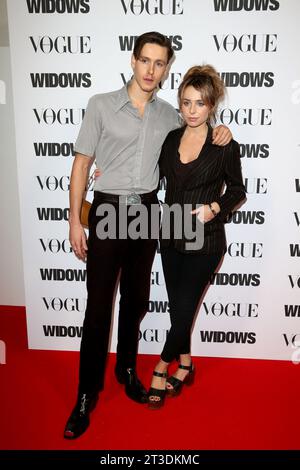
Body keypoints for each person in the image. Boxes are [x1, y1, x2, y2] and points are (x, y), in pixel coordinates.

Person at [64, 32, 232, 439]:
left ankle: (125, 369)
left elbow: (197, 132)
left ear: (167, 68)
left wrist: (221, 130)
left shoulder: (170, 117)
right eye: (145, 61)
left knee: (137, 300)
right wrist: (73, 220)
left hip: (149, 211)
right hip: (107, 209)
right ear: (133, 60)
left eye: (160, 64)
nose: (151, 70)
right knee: (99, 306)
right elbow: (83, 165)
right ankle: (86, 395)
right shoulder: (100, 105)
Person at [147, 64, 246, 409]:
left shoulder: (224, 144)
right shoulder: (171, 138)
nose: (191, 111)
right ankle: (186, 364)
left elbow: (237, 190)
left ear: (212, 105)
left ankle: (162, 366)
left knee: (184, 307)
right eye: (186, 102)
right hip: (172, 235)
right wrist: (111, 170)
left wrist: (214, 208)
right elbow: (149, 170)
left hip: (206, 240)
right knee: (180, 311)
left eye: (199, 104)